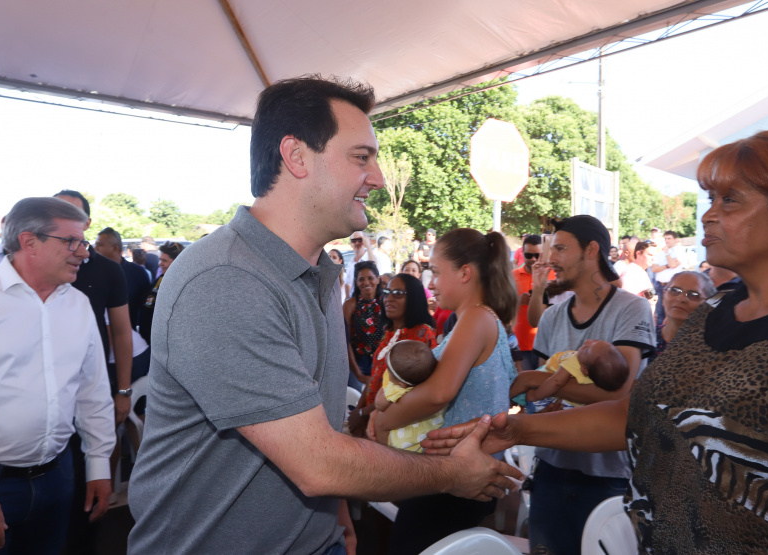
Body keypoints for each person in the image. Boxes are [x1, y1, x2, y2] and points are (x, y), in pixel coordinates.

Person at [127, 76, 520, 555]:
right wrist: (450, 474)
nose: (376, 177)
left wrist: (335, 519)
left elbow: (321, 429)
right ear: (296, 156)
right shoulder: (226, 279)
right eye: (361, 157)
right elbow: (318, 463)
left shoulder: (319, 275)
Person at [426, 129, 768, 553]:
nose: (708, 215)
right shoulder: (714, 311)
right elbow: (641, 417)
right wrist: (517, 430)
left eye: (730, 200)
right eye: (710, 199)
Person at [0, 197, 115, 554]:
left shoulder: (77, 303)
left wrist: (98, 463)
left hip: (58, 478)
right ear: (28, 241)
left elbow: (91, 392)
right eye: (72, 241)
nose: (84, 252)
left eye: (83, 241)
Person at [499, 215, 656, 555]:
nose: (550, 258)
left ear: (592, 250)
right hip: (550, 470)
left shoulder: (632, 308)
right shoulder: (554, 316)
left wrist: (543, 383)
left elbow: (619, 392)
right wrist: (539, 388)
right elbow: (536, 394)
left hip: (609, 477)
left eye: (560, 248)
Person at [371, 227, 519, 555]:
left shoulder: (476, 318)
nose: (432, 283)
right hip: (454, 473)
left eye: (436, 272)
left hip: (451, 477)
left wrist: (384, 422)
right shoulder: (479, 319)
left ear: (465, 273)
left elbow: (440, 392)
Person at [53, 190, 132, 555]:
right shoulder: (24, 271)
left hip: (89, 390)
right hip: (43, 399)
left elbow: (121, 332)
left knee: (89, 487)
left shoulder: (106, 270)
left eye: (71, 215)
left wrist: (123, 391)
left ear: (85, 224)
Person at [347, 273, 438, 438]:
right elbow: (375, 376)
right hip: (371, 418)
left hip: (395, 426)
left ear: (414, 298)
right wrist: (360, 411)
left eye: (397, 293)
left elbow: (408, 391)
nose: (389, 298)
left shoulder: (422, 334)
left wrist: (364, 413)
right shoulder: (389, 332)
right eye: (387, 292)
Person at [372, 340, 442, 452]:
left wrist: (386, 388)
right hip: (424, 436)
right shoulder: (429, 382)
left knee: (390, 452)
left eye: (389, 371)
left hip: (403, 441)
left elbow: (379, 405)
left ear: (402, 384)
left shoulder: (397, 389)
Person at [519, 340, 630, 408]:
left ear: (584, 370)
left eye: (587, 349)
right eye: (595, 341)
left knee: (518, 384)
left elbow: (556, 382)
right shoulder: (595, 373)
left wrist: (535, 395)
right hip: (571, 405)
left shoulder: (575, 361)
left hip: (544, 393)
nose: (587, 341)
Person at [96, 227, 152, 329]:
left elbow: (146, 310)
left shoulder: (138, 273)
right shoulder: (93, 272)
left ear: (115, 248)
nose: (95, 249)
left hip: (130, 336)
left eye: (99, 245)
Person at [512, 234, 554, 370]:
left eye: (537, 255)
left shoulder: (553, 275)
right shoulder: (513, 276)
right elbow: (501, 308)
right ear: (522, 253)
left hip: (548, 342)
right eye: (529, 255)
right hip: (521, 344)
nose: (533, 259)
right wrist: (517, 302)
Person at [653, 271, 715, 360]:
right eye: (674, 290)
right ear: (663, 296)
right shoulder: (645, 337)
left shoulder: (712, 350)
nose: (681, 298)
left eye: (693, 295)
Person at [344, 260, 385, 390]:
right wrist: (358, 373)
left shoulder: (387, 302)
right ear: (356, 282)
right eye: (361, 279)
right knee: (355, 399)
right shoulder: (350, 305)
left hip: (383, 361)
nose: (366, 282)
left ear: (378, 279)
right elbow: (345, 340)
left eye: (370, 278)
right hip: (357, 362)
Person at [138, 241, 184, 345]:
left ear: (177, 262)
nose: (160, 264)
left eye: (164, 260)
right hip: (149, 340)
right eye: (160, 260)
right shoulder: (162, 278)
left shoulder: (181, 284)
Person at [650, 230, 682, 325]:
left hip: (672, 286)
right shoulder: (661, 253)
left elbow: (672, 264)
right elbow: (654, 268)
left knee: (670, 312)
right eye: (665, 238)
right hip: (659, 285)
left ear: (675, 239)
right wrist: (666, 266)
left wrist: (668, 254)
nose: (667, 241)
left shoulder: (680, 251)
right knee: (660, 312)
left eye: (669, 238)